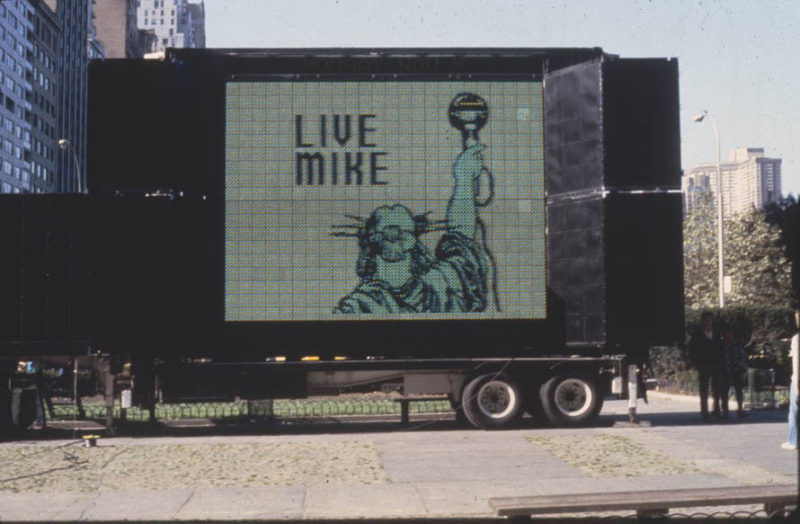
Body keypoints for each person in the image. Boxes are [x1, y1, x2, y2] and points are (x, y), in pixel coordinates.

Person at [334, 144, 488, 314]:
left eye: (400, 228)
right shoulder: (357, 307)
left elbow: (460, 235)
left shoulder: (441, 283)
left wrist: (464, 180)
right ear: (371, 242)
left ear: (413, 240)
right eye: (388, 230)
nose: (394, 232)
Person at [688, 311, 726, 420]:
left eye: (711, 319)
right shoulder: (697, 334)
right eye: (707, 319)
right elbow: (693, 349)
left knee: (716, 388)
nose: (709, 322)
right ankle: (704, 411)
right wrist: (696, 363)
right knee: (704, 388)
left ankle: (716, 410)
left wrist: (721, 361)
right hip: (703, 364)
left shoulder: (716, 333)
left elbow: (720, 347)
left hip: (716, 364)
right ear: (703, 320)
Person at [782, 310, 799, 450]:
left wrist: (797, 383)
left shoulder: (796, 339)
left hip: (798, 379)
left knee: (794, 410)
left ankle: (793, 440)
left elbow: (797, 363)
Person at [722, 328, 748, 419]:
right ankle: (725, 411)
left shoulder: (737, 345)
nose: (729, 336)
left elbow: (742, 356)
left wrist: (742, 365)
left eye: (730, 334)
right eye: (727, 334)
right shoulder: (722, 345)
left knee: (739, 391)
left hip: (737, 370)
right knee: (725, 392)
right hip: (726, 371)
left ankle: (740, 409)